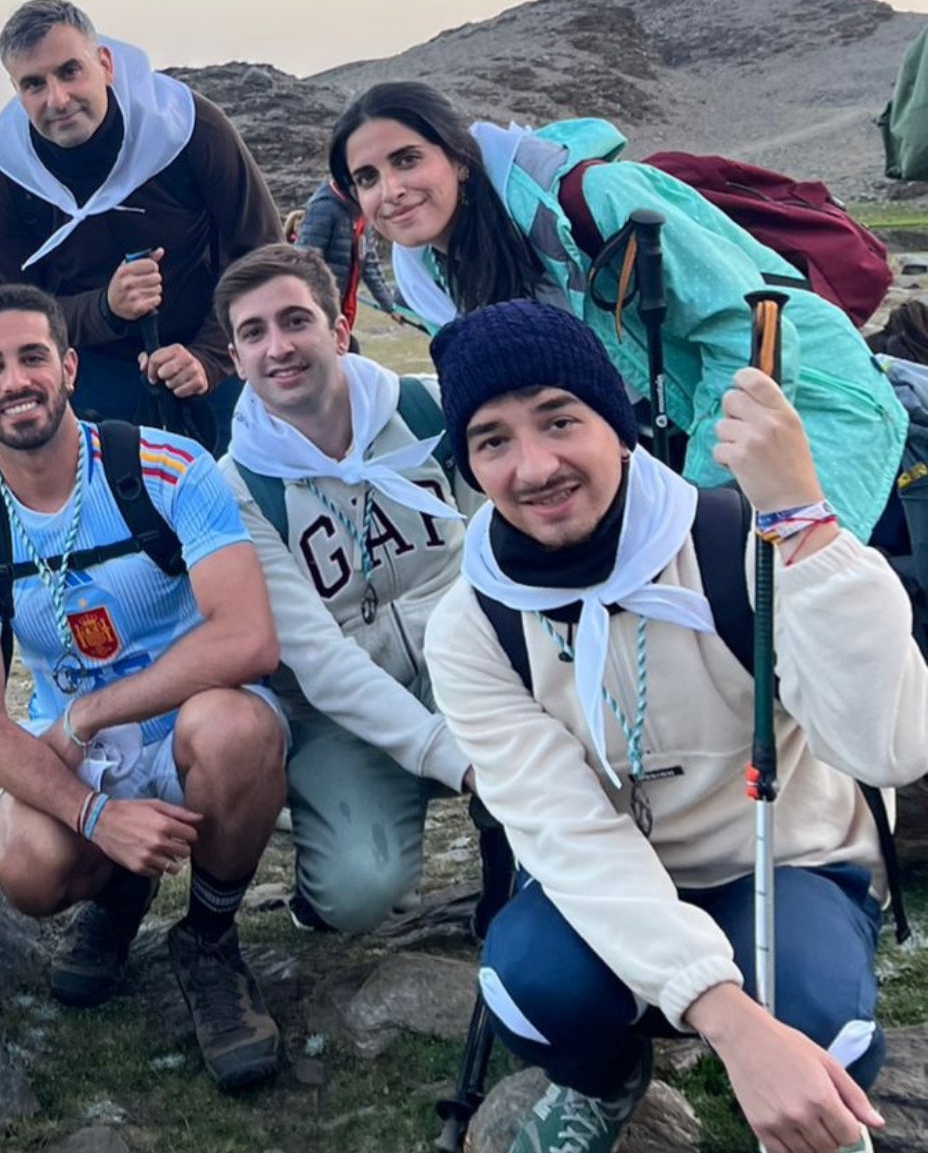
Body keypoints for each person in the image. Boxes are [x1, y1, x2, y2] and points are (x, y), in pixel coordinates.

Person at [423, 300, 928, 1153]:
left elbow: (887, 746)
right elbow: (566, 832)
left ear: (614, 423)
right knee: (528, 982)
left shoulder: (740, 535)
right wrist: (730, 1022)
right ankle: (609, 1080)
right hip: (612, 874)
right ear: (469, 464)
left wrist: (804, 519)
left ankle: (808, 1110)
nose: (534, 465)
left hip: (782, 859)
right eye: (492, 439)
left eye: (559, 419)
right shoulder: (473, 622)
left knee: (821, 1025)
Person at [0, 283, 289, 1091]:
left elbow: (248, 638)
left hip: (190, 715)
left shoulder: (163, 466)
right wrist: (93, 813)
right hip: (90, 759)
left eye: (32, 356)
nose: (15, 379)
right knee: (21, 859)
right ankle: (121, 882)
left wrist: (89, 709)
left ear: (69, 366)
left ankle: (209, 937)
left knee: (235, 732)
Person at [327, 80, 906, 542]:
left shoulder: (598, 199)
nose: (391, 190)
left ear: (458, 159)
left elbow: (746, 331)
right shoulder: (431, 281)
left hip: (808, 408)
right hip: (675, 448)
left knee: (813, 615)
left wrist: (702, 501)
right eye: (368, 178)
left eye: (407, 160)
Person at [211, 245, 474, 934]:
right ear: (234, 358)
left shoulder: (429, 406)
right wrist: (454, 760)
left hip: (468, 663)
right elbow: (320, 664)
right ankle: (326, 821)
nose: (278, 347)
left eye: (295, 320)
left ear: (339, 325)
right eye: (253, 333)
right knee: (358, 893)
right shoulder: (235, 486)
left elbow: (502, 555)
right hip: (342, 710)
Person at [0, 1, 282, 456]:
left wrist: (210, 357)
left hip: (210, 353)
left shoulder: (187, 126)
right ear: (16, 90)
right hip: (91, 376)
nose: (57, 99)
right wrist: (106, 308)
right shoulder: (1, 177)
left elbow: (262, 254)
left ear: (105, 64)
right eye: (34, 84)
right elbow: (11, 316)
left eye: (70, 71)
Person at [292, 179, 400, 336]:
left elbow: (369, 265)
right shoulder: (324, 207)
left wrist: (391, 307)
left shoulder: (361, 213)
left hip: (343, 309)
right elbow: (305, 262)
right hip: (320, 311)